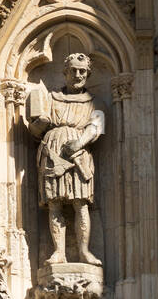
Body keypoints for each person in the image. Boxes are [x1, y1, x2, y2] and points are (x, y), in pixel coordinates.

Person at [28, 53, 104, 266]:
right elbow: (35, 131)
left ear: (88, 74)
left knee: (81, 204)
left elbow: (96, 127)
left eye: (82, 71)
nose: (78, 74)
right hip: (52, 152)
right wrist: (39, 123)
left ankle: (83, 252)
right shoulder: (51, 98)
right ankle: (59, 252)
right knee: (55, 204)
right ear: (65, 72)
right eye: (73, 70)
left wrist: (79, 143)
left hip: (78, 155)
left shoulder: (93, 102)